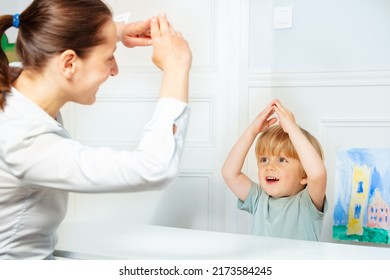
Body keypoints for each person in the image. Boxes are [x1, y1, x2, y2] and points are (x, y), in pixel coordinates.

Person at [0, 0, 192, 259]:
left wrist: (119, 31)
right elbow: (154, 168)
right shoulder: (24, 141)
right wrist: (176, 69)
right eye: (109, 56)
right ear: (68, 63)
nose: (114, 70)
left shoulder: (19, 82)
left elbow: (58, 34)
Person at [222, 99, 327, 241]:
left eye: (282, 160)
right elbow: (229, 174)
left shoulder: (307, 203)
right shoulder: (259, 198)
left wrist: (292, 128)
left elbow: (317, 174)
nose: (269, 166)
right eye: (264, 159)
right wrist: (252, 132)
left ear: (304, 175)